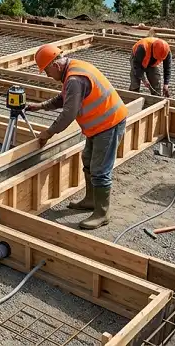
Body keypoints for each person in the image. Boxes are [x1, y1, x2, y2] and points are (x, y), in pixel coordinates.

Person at [26, 44, 128, 230]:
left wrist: (48, 133)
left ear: (55, 65)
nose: (48, 76)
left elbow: (68, 114)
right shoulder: (73, 68)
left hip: (109, 124)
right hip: (98, 126)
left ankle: (102, 213)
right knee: (87, 159)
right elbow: (64, 98)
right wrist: (41, 106)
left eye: (47, 71)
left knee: (100, 169)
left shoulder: (74, 79)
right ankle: (90, 200)